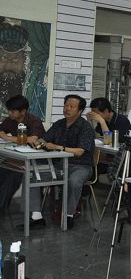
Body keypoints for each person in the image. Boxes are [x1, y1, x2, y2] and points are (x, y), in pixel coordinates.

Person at [23, 94, 95, 230]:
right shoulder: (59, 124)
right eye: (66, 105)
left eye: (72, 106)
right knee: (31, 175)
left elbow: (80, 151)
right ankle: (36, 217)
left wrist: (58, 147)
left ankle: (68, 215)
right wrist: (38, 142)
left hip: (80, 166)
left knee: (74, 181)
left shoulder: (85, 127)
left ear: (80, 111)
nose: (67, 109)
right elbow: (45, 139)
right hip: (58, 165)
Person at [0, 95, 46, 210]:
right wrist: (2, 134)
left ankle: (1, 206)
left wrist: (8, 138)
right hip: (20, 157)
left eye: (13, 111)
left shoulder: (34, 120)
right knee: (3, 169)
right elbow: (1, 130)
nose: (9, 113)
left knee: (14, 175)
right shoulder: (10, 120)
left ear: (23, 111)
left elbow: (32, 139)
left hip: (37, 159)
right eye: (9, 110)